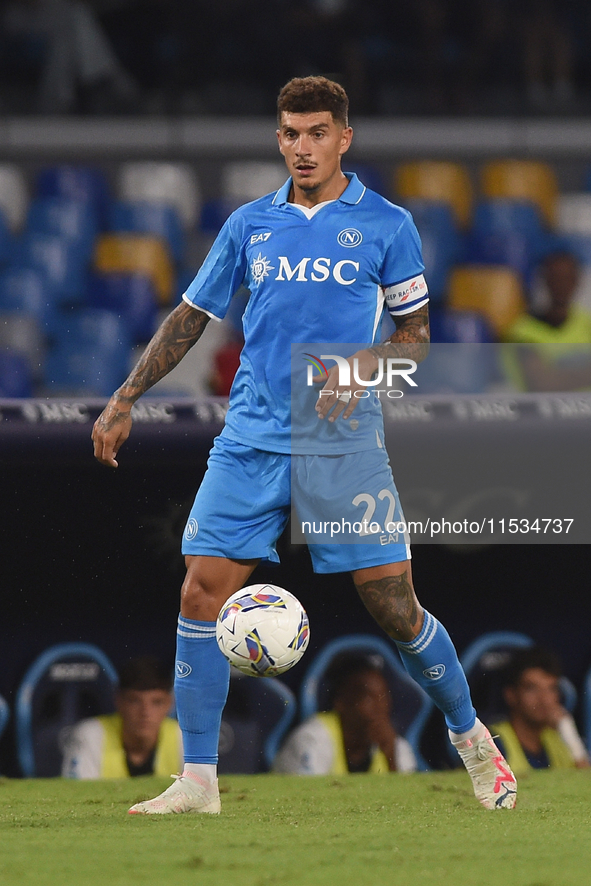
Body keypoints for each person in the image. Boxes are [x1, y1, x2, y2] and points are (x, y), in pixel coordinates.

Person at [92, 75, 517, 814]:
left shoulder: (386, 224)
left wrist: (360, 368)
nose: (301, 147)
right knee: (199, 590)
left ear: (343, 137)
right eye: (289, 134)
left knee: (394, 608)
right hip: (250, 438)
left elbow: (415, 338)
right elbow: (191, 315)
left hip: (341, 444)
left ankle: (473, 741)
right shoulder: (250, 223)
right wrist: (126, 396)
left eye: (316, 132)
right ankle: (197, 779)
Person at [273, 655, 417, 774]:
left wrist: (391, 759)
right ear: (340, 702)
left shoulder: (395, 744)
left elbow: (410, 802)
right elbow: (303, 801)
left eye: (384, 697)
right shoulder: (312, 738)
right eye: (368, 698)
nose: (380, 708)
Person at [61, 656, 182, 779]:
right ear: (118, 700)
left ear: (169, 703)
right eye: (135, 701)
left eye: (156, 702)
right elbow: (77, 793)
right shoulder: (90, 735)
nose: (145, 712)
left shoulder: (183, 738)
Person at [491, 647, 589, 777]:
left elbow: (586, 787)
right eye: (532, 689)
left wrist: (569, 734)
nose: (545, 700)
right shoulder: (492, 740)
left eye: (551, 689)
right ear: (511, 695)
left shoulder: (561, 738)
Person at [503, 250, 591, 391]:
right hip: (540, 412)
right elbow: (544, 383)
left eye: (567, 278)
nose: (562, 285)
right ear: (545, 281)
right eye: (556, 278)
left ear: (577, 281)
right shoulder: (522, 330)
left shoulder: (587, 324)